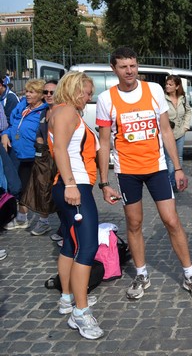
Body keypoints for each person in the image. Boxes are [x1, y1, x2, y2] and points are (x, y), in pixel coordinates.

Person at [96, 46, 192, 301]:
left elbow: (166, 131)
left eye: (133, 66)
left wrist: (177, 167)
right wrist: (103, 182)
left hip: (157, 167)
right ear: (114, 69)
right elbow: (103, 143)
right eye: (124, 67)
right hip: (127, 172)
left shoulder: (154, 90)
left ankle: (190, 274)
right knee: (134, 223)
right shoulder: (106, 99)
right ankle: (141, 273)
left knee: (172, 220)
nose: (129, 71)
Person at [49, 72, 102, 339]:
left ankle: (67, 299)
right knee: (87, 246)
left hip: (72, 184)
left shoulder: (60, 111)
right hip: (74, 186)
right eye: (87, 92)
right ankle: (80, 313)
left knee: (71, 243)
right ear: (73, 89)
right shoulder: (67, 111)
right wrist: (71, 184)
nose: (89, 97)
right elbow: (60, 149)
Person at [1, 79, 49, 230]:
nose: (27, 94)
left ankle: (44, 221)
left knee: (41, 188)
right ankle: (22, 217)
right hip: (19, 154)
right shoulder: (22, 105)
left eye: (32, 92)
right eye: (27, 91)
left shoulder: (44, 110)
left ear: (41, 95)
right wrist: (6, 134)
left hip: (36, 154)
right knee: (21, 186)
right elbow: (13, 124)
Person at [26, 80, 58, 236]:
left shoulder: (62, 111)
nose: (49, 95)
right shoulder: (45, 111)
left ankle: (66, 226)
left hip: (59, 157)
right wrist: (40, 146)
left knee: (58, 191)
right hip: (46, 157)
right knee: (43, 188)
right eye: (46, 92)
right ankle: (44, 221)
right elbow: (40, 132)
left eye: (52, 92)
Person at [164, 75, 191, 191]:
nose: (167, 86)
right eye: (167, 84)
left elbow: (188, 112)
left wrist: (185, 126)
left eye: (170, 84)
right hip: (167, 133)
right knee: (169, 158)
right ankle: (170, 184)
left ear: (177, 86)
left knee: (179, 157)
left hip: (180, 133)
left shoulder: (183, 98)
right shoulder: (163, 98)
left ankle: (176, 181)